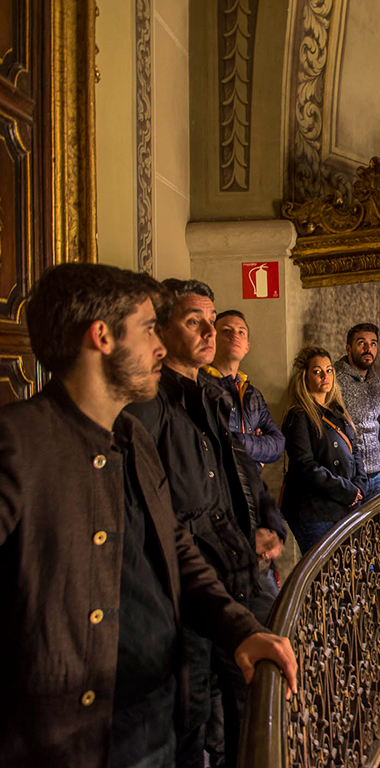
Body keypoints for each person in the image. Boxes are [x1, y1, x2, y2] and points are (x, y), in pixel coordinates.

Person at [0, 263, 296, 768]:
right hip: (72, 741)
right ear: (103, 337)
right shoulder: (18, 442)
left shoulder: (131, 437)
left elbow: (176, 546)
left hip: (159, 716)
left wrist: (240, 629)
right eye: (146, 329)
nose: (159, 347)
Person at [126, 279, 287, 768]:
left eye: (211, 320)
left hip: (242, 571)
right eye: (193, 320)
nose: (208, 331)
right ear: (163, 329)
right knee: (197, 719)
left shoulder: (216, 397)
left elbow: (249, 478)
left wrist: (271, 524)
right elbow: (157, 512)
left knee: (259, 701)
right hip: (191, 588)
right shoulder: (147, 408)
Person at [281, 346, 367, 554]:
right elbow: (305, 465)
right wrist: (347, 491)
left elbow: (355, 452)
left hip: (344, 507)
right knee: (323, 578)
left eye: (329, 370)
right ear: (305, 377)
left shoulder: (337, 411)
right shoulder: (299, 415)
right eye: (317, 371)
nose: (324, 376)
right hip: (315, 511)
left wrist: (360, 485)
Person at [200, 309, 285, 467]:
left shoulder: (252, 395)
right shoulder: (199, 386)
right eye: (226, 331)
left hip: (249, 487)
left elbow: (277, 445)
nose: (235, 336)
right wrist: (256, 446)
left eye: (241, 332)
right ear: (212, 340)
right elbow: (206, 445)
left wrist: (238, 443)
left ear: (247, 347)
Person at [335, 322, 380, 498]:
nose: (368, 349)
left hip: (376, 472)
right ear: (349, 348)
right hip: (349, 475)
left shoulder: (375, 379)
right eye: (361, 343)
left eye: (373, 343)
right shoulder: (335, 379)